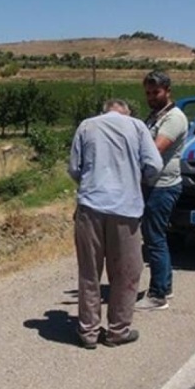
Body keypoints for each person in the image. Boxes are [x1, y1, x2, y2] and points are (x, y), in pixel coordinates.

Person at [68, 99, 163, 348]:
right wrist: (136, 179)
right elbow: (154, 165)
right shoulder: (137, 127)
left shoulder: (86, 126)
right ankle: (118, 330)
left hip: (90, 207)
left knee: (89, 272)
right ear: (126, 111)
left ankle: (88, 332)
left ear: (105, 110)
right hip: (126, 208)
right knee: (126, 273)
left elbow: (74, 169)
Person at [136, 71, 189, 311]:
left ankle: (158, 294)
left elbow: (154, 149)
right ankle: (164, 285)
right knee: (156, 236)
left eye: (155, 92)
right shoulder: (156, 116)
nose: (151, 97)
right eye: (148, 93)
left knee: (154, 239)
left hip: (162, 186)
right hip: (153, 184)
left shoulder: (174, 118)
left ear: (167, 91)